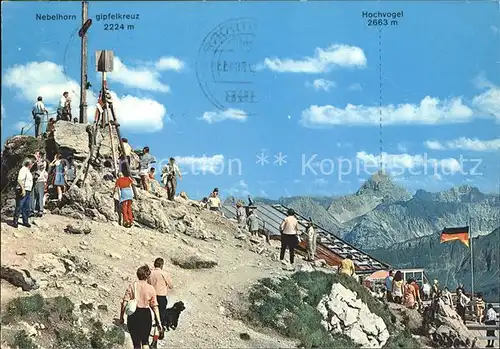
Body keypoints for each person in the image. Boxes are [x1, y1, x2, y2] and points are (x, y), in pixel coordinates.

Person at [120, 265, 163, 349]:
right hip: (145, 316)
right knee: (145, 341)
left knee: (136, 343)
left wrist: (121, 317)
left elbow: (124, 303)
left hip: (133, 315)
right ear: (147, 275)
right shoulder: (151, 288)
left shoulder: (132, 286)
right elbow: (155, 306)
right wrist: (159, 322)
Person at [148, 258, 174, 332]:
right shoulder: (165, 274)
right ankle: (159, 330)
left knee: (154, 312)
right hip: (161, 296)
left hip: (152, 296)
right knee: (161, 314)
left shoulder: (150, 273)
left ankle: (155, 326)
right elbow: (171, 286)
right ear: (162, 265)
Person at [12, 158, 34, 228]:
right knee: (19, 206)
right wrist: (23, 189)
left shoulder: (28, 171)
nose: (32, 165)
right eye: (32, 164)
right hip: (22, 190)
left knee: (26, 207)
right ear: (29, 164)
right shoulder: (23, 170)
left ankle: (25, 221)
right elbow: (19, 180)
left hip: (28, 190)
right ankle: (15, 221)